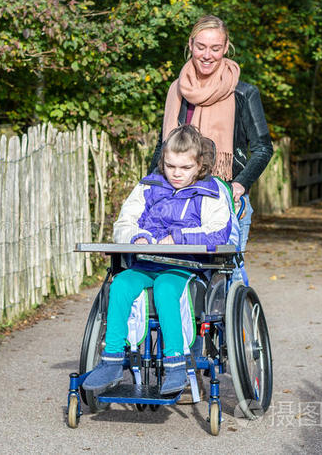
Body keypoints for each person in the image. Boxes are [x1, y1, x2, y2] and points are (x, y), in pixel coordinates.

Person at [82, 125, 239, 395]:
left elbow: (219, 230)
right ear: (162, 161)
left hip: (185, 266)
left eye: (185, 167)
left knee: (166, 289)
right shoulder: (148, 186)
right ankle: (111, 360)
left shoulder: (210, 192)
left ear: (199, 164)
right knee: (120, 285)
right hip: (145, 262)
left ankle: (176, 365)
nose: (176, 173)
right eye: (170, 166)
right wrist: (137, 237)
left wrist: (178, 237)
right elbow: (125, 221)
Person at [149, 14, 273, 264]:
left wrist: (240, 183)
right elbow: (164, 147)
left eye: (216, 48)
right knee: (175, 271)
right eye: (201, 47)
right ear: (191, 45)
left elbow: (263, 148)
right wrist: (149, 187)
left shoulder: (244, 93)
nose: (207, 55)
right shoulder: (177, 91)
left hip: (224, 198)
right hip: (178, 202)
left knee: (229, 274)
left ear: (226, 48)